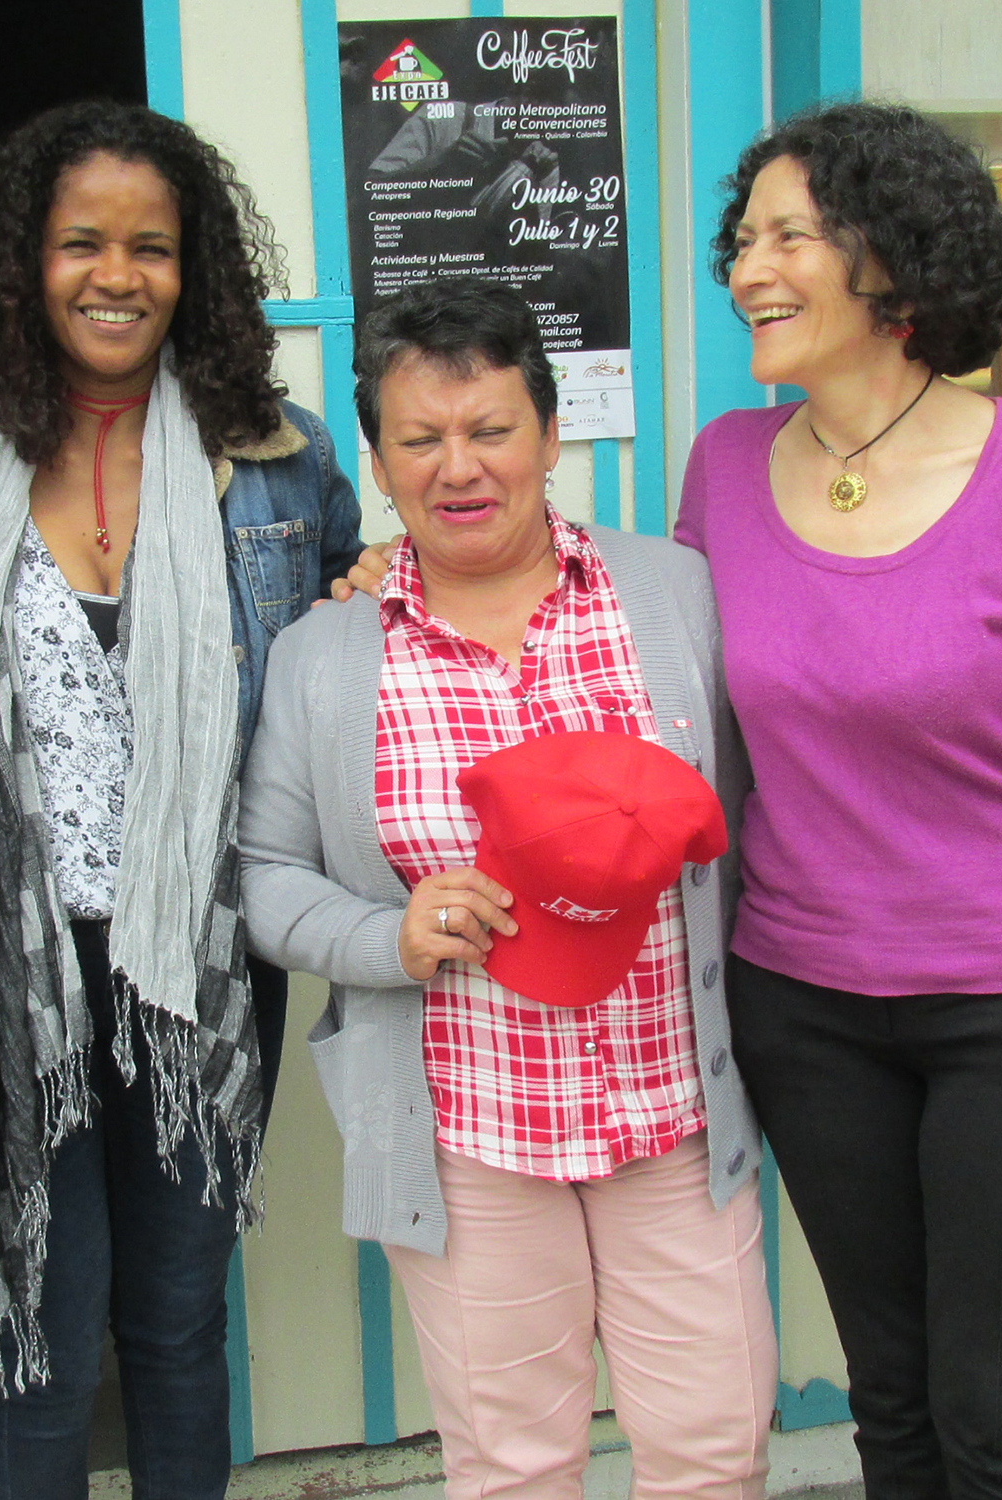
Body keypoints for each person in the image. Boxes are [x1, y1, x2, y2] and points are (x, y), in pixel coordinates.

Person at [679, 102, 1002, 1499]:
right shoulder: (724, 468)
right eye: (742, 240)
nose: (747, 270)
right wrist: (395, 577)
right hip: (802, 1007)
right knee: (893, 1410)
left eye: (790, 235)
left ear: (892, 264)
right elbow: (644, 679)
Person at [0, 100, 364, 1499]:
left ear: (192, 269)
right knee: (37, 1323)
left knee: (172, 1321)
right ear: (19, 260)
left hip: (195, 957)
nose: (116, 274)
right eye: (80, 241)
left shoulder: (274, 456)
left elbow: (339, 639)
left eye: (152, 247)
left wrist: (375, 589)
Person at [240, 277, 775, 1499]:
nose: (458, 467)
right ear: (376, 460)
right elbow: (263, 879)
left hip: (669, 1120)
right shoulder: (326, 655)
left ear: (548, 432)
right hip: (466, 1135)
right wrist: (389, 932)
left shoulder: (672, 594)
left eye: (490, 429)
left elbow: (770, 789)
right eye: (419, 440)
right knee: (511, 1465)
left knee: (712, 1446)